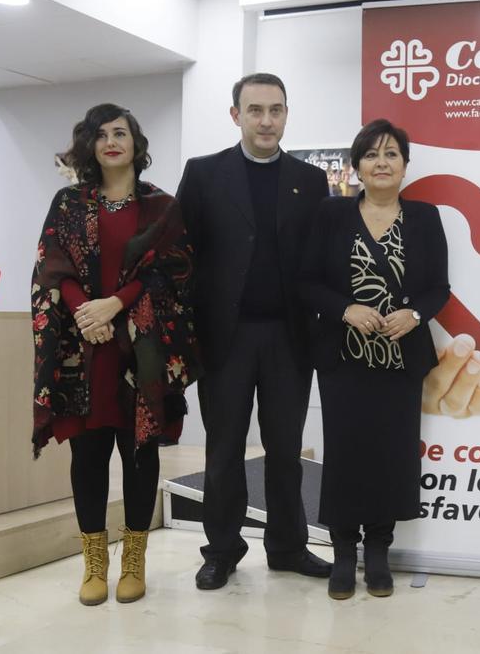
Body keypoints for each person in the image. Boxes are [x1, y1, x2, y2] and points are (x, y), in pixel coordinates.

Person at [31, 103, 199, 606]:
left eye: (120, 132)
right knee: (88, 456)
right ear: (90, 146)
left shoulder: (162, 207)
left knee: (139, 453)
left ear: (135, 143)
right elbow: (51, 267)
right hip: (85, 352)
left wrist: (114, 305)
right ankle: (94, 565)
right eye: (101, 134)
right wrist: (87, 314)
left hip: (140, 353)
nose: (111, 141)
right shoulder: (69, 203)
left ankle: (134, 562)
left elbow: (173, 274)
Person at [177, 73, 332, 590]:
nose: (267, 120)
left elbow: (320, 261)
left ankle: (288, 548)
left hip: (289, 338)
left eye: (276, 110)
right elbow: (182, 257)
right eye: (256, 110)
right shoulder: (203, 175)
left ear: (287, 114)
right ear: (235, 115)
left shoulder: (309, 181)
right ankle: (221, 550)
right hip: (226, 338)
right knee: (223, 450)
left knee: (286, 450)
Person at [300, 119, 450, 600]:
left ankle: (379, 554)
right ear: (356, 166)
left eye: (391, 154)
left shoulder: (425, 217)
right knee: (345, 454)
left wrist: (414, 313)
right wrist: (345, 308)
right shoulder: (330, 214)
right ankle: (344, 553)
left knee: (392, 453)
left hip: (401, 358)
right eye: (371, 155)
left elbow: (438, 288)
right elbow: (306, 281)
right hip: (344, 357)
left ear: (405, 165)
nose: (381, 163)